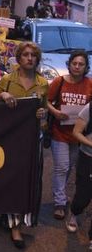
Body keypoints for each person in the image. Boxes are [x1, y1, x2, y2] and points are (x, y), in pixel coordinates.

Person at [0, 41, 49, 249]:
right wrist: (3, 95)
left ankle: (17, 222)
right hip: (9, 139)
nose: (29, 58)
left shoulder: (43, 83)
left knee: (27, 179)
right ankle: (11, 222)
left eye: (33, 55)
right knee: (10, 178)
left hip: (32, 139)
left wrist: (43, 115)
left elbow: (44, 112)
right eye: (25, 55)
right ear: (19, 58)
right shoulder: (7, 79)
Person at [46, 51, 92, 220]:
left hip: (80, 136)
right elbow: (46, 101)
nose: (77, 67)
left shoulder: (89, 84)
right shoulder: (59, 81)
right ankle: (59, 202)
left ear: (86, 67)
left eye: (81, 64)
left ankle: (61, 194)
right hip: (60, 132)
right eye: (75, 63)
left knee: (69, 167)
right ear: (69, 64)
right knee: (62, 167)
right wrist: (56, 112)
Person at [68, 102, 92, 251]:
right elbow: (76, 132)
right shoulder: (90, 108)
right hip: (88, 157)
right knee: (83, 197)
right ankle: (75, 213)